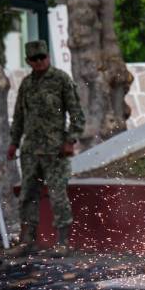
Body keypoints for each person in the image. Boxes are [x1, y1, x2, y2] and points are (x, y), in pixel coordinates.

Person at [7, 40, 85, 258]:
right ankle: (28, 240)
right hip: (31, 150)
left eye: (43, 57)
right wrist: (13, 142)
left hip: (55, 150)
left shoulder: (61, 79)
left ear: (48, 57)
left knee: (57, 195)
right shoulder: (26, 84)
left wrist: (71, 140)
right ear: (28, 61)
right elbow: (19, 116)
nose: (40, 62)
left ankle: (63, 242)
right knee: (27, 195)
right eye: (35, 59)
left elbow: (77, 113)